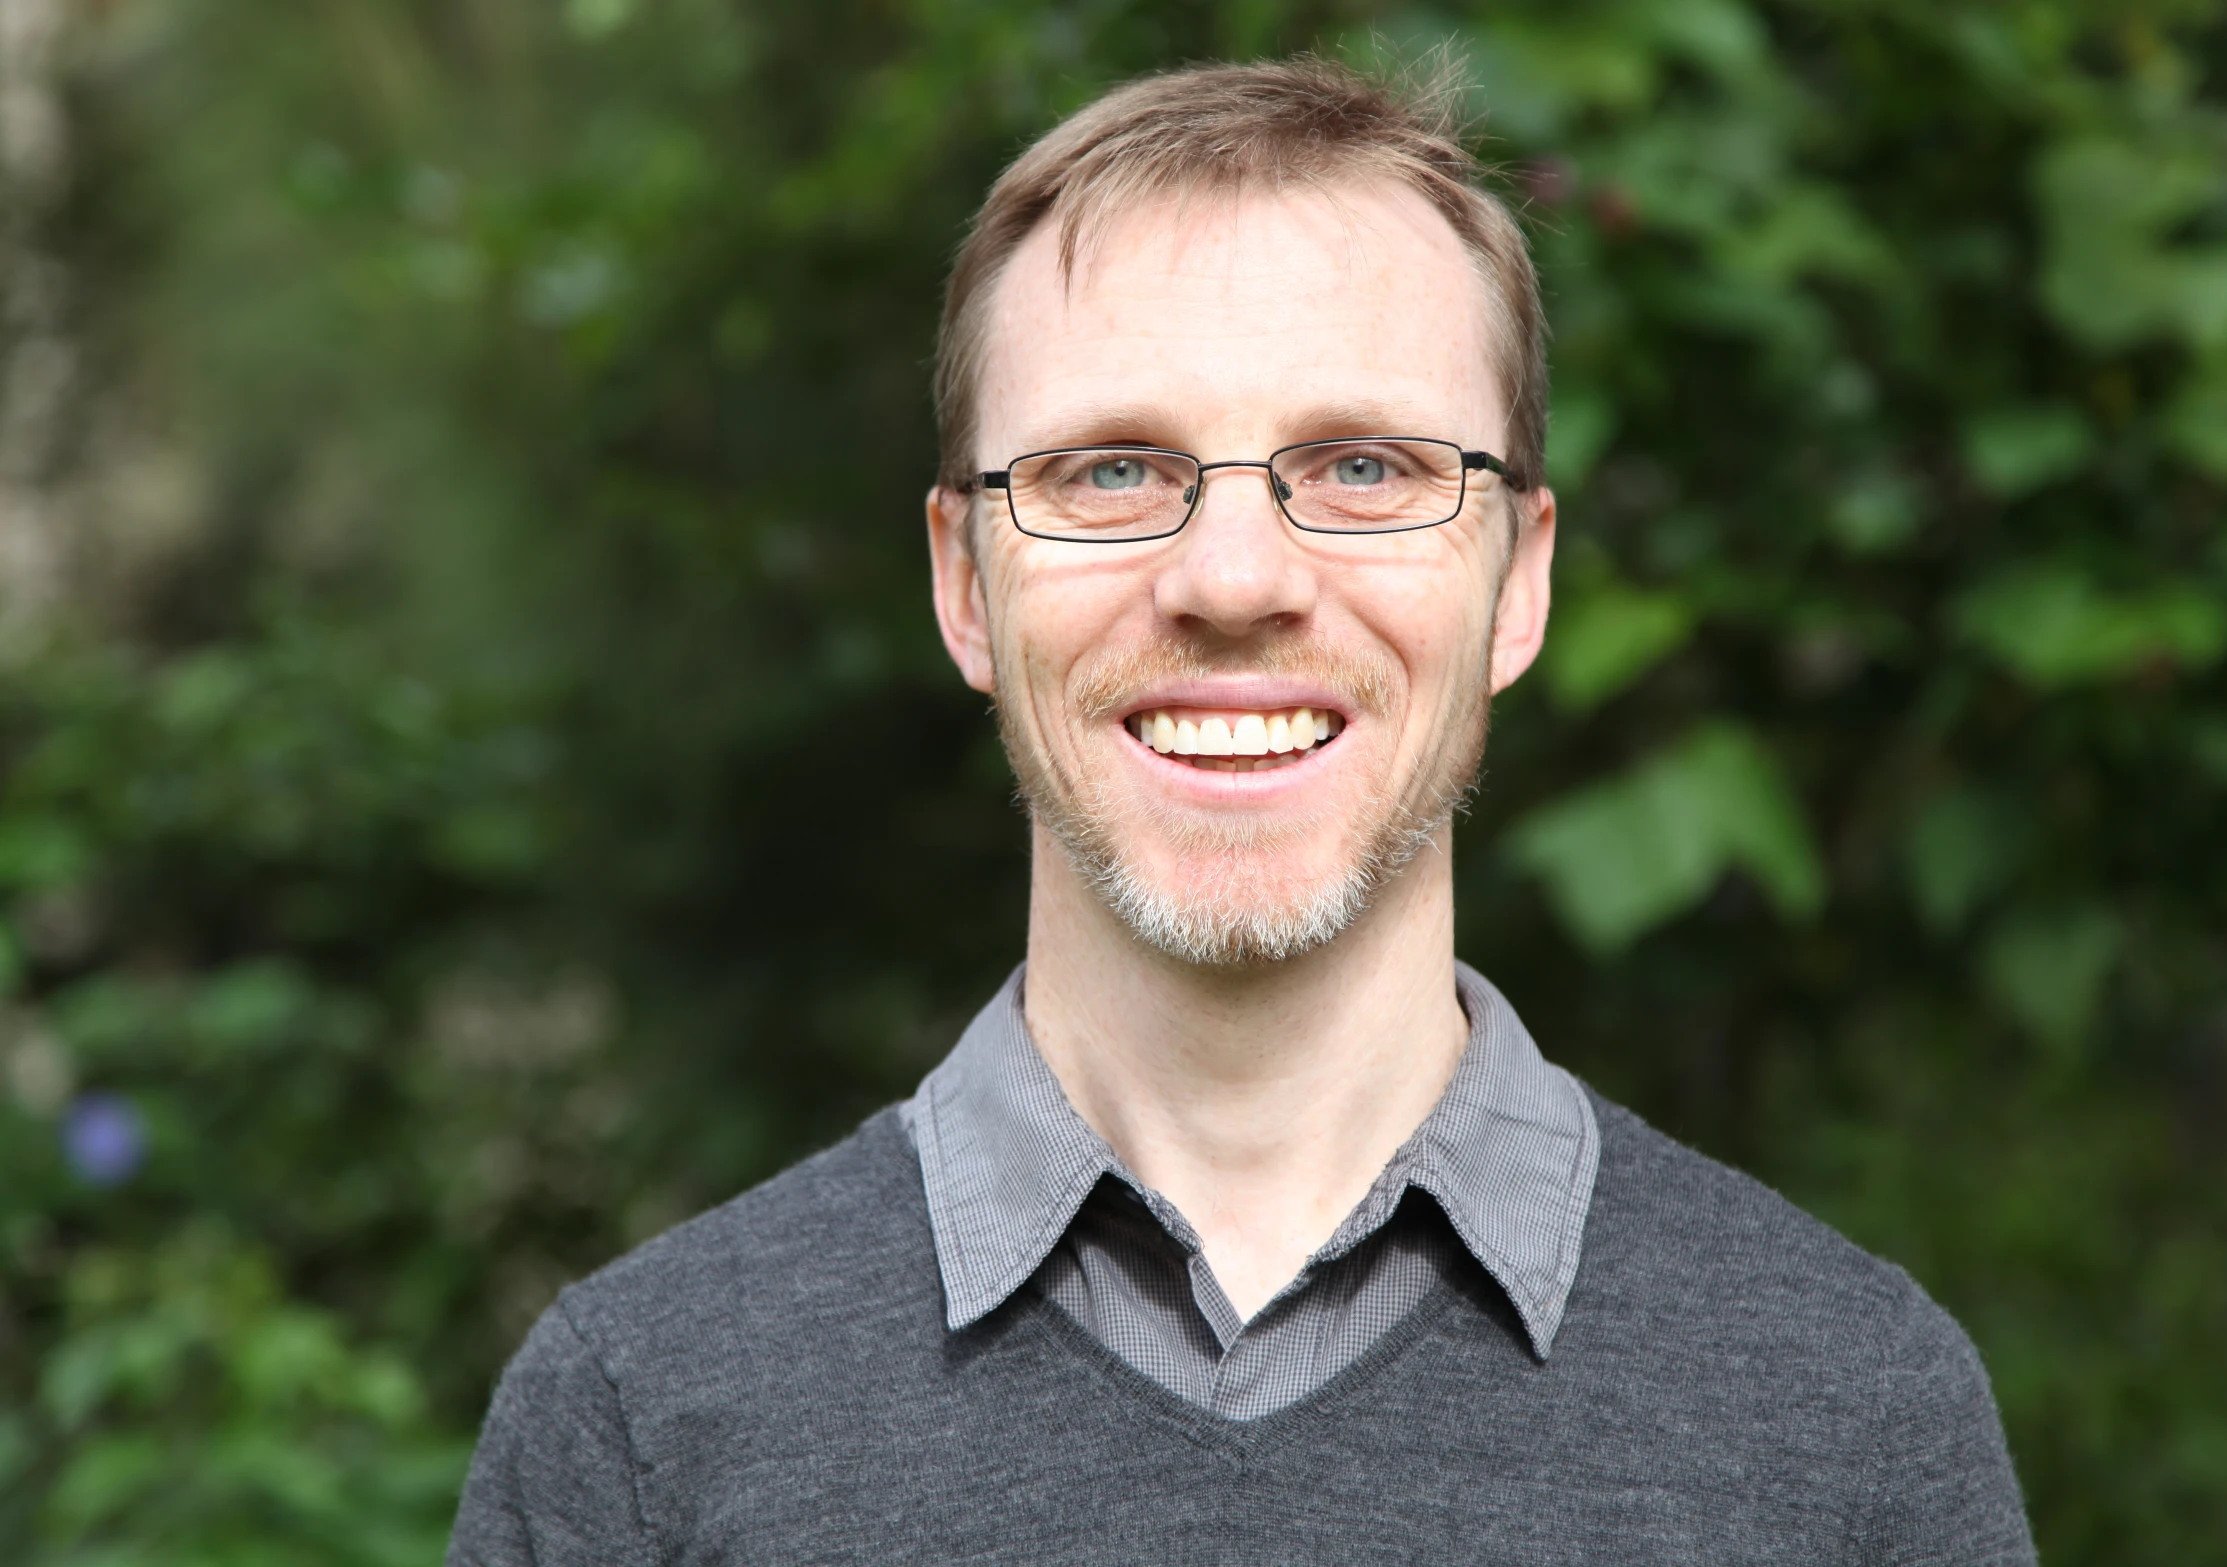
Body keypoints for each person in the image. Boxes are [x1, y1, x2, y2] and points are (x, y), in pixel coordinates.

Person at [448, 56, 2035, 1564]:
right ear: (961, 583)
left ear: (1520, 581)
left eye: (1360, 465)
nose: (1232, 580)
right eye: (1111, 471)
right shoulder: (637, 1426)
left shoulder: (1853, 1426)